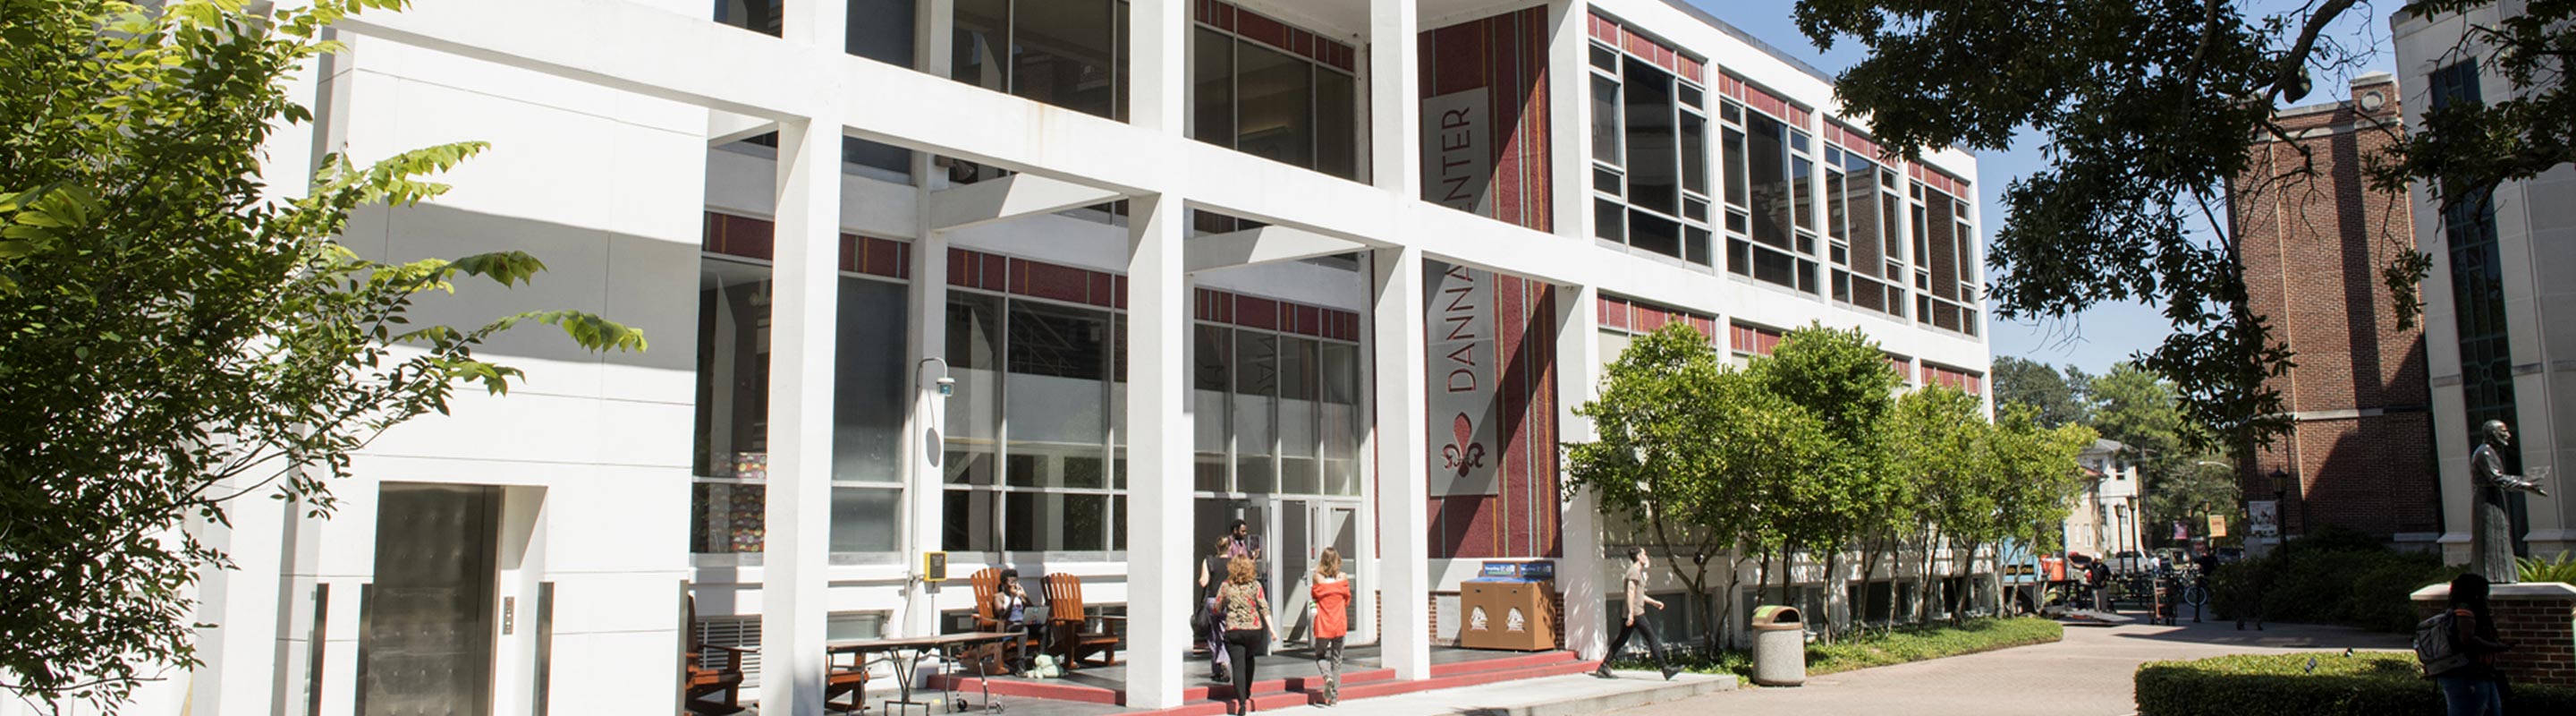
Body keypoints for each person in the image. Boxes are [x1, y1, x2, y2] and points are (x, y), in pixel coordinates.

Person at [1593, 547, 1680, 681]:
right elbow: (1630, 592)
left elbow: (1638, 595)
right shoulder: (1633, 572)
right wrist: (1631, 614)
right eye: (1644, 554)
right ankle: (1665, 669)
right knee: (1652, 639)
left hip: (1634, 612)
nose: (1646, 556)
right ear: (1639, 557)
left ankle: (1604, 666)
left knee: (1621, 640)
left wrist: (1654, 602)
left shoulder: (1636, 572)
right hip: (1636, 613)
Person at [2437, 573, 2515, 716]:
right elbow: (2468, 639)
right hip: (2467, 674)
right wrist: (2497, 647)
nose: (2487, 597)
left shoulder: (2459, 610)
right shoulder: (2464, 612)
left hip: (2479, 673)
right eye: (2484, 592)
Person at [1216, 556, 1281, 715]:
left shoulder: (1226, 585)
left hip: (1234, 630)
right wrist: (1272, 630)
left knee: (1238, 665)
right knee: (1249, 658)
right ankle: (1247, 690)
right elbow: (1264, 608)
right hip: (1254, 630)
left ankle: (1242, 703)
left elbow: (1217, 607)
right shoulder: (1255, 585)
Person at [1309, 549, 1353, 706]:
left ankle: (1327, 677)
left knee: (1320, 654)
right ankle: (1334, 697)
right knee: (1337, 660)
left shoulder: (1317, 578)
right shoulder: (1343, 578)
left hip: (1323, 624)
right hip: (1339, 623)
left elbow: (1314, 597)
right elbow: (1347, 600)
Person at [1199, 536, 1238, 682]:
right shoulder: (1233, 563)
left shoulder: (1209, 561)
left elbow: (1203, 582)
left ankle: (1217, 669)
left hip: (1212, 601)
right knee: (1224, 633)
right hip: (1227, 600)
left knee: (1213, 635)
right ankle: (1225, 662)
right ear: (1230, 547)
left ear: (1216, 547)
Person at [992, 568, 1045, 674]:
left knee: (1044, 629)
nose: (1014, 585)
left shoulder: (1019, 596)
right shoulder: (999, 597)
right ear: (1004, 584)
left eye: (1015, 581)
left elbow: (1032, 610)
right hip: (1009, 626)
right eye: (1011, 582)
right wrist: (1012, 599)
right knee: (1023, 630)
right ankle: (1021, 663)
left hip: (1023, 623)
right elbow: (1003, 615)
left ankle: (1042, 659)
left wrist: (1025, 596)